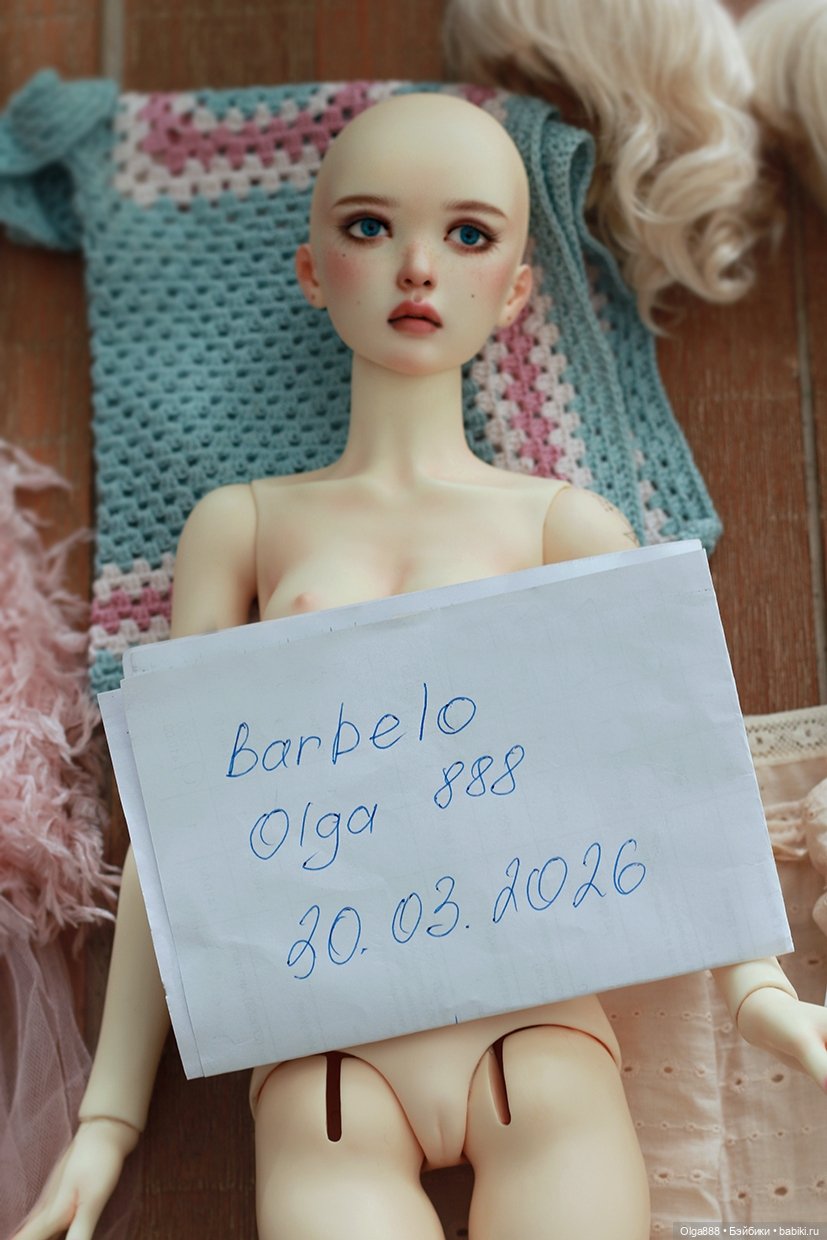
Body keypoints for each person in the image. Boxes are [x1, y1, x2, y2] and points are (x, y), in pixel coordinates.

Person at [15, 92, 827, 1240]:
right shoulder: (241, 527)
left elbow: (665, 770)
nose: (414, 267)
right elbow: (181, 830)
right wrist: (109, 1115)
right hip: (325, 1068)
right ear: (312, 270)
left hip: (536, 1043)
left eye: (467, 233)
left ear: (516, 290)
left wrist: (758, 987)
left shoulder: (566, 525)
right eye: (367, 226)